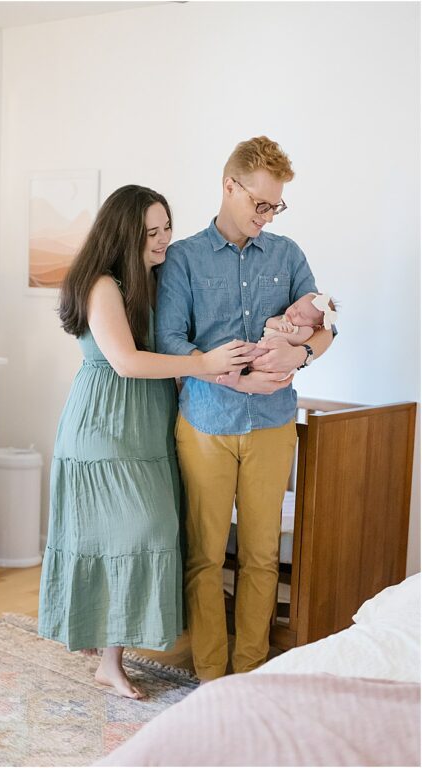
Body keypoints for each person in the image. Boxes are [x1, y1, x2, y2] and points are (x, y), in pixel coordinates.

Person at [37, 185, 256, 699]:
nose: (163, 241)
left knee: (145, 534)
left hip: (148, 421)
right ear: (124, 234)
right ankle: (108, 659)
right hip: (105, 423)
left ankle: (107, 654)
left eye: (166, 229)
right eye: (151, 233)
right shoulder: (101, 285)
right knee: (130, 532)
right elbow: (127, 361)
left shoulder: (154, 281)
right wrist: (204, 364)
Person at [155, 136, 336, 683]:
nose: (267, 215)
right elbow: (169, 343)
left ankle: (250, 675)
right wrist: (239, 376)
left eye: (275, 206)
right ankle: (212, 677)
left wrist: (299, 352)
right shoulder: (183, 258)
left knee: (261, 557)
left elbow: (327, 325)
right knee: (206, 558)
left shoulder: (288, 255)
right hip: (206, 423)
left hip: (274, 425)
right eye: (260, 203)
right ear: (229, 186)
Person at [216, 292, 337, 386]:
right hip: (264, 347)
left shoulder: (307, 329)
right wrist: (277, 325)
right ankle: (234, 376)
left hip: (276, 356)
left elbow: (298, 340)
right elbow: (269, 322)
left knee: (245, 355)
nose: (294, 312)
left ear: (314, 326)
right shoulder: (285, 318)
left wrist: (281, 335)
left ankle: (236, 378)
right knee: (242, 352)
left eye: (301, 315)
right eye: (295, 306)